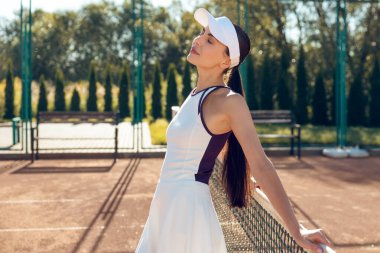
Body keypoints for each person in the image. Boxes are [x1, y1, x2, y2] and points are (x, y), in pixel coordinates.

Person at [135, 7, 334, 253]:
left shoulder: (230, 101)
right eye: (201, 34)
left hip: (187, 214)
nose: (197, 40)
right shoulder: (195, 95)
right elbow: (213, 144)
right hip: (165, 207)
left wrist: (297, 231)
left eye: (209, 40)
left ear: (225, 61)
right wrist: (243, 180)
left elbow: (262, 163)